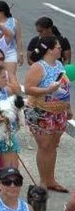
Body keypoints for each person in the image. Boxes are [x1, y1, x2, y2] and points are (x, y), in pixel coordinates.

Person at [24, 36, 72, 193]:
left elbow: (65, 89)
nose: (60, 49)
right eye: (58, 47)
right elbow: (29, 88)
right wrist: (47, 90)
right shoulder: (38, 67)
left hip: (58, 112)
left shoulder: (58, 64)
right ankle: (43, 181)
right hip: (41, 112)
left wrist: (68, 107)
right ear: (50, 50)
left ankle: (51, 179)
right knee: (45, 146)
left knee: (53, 145)